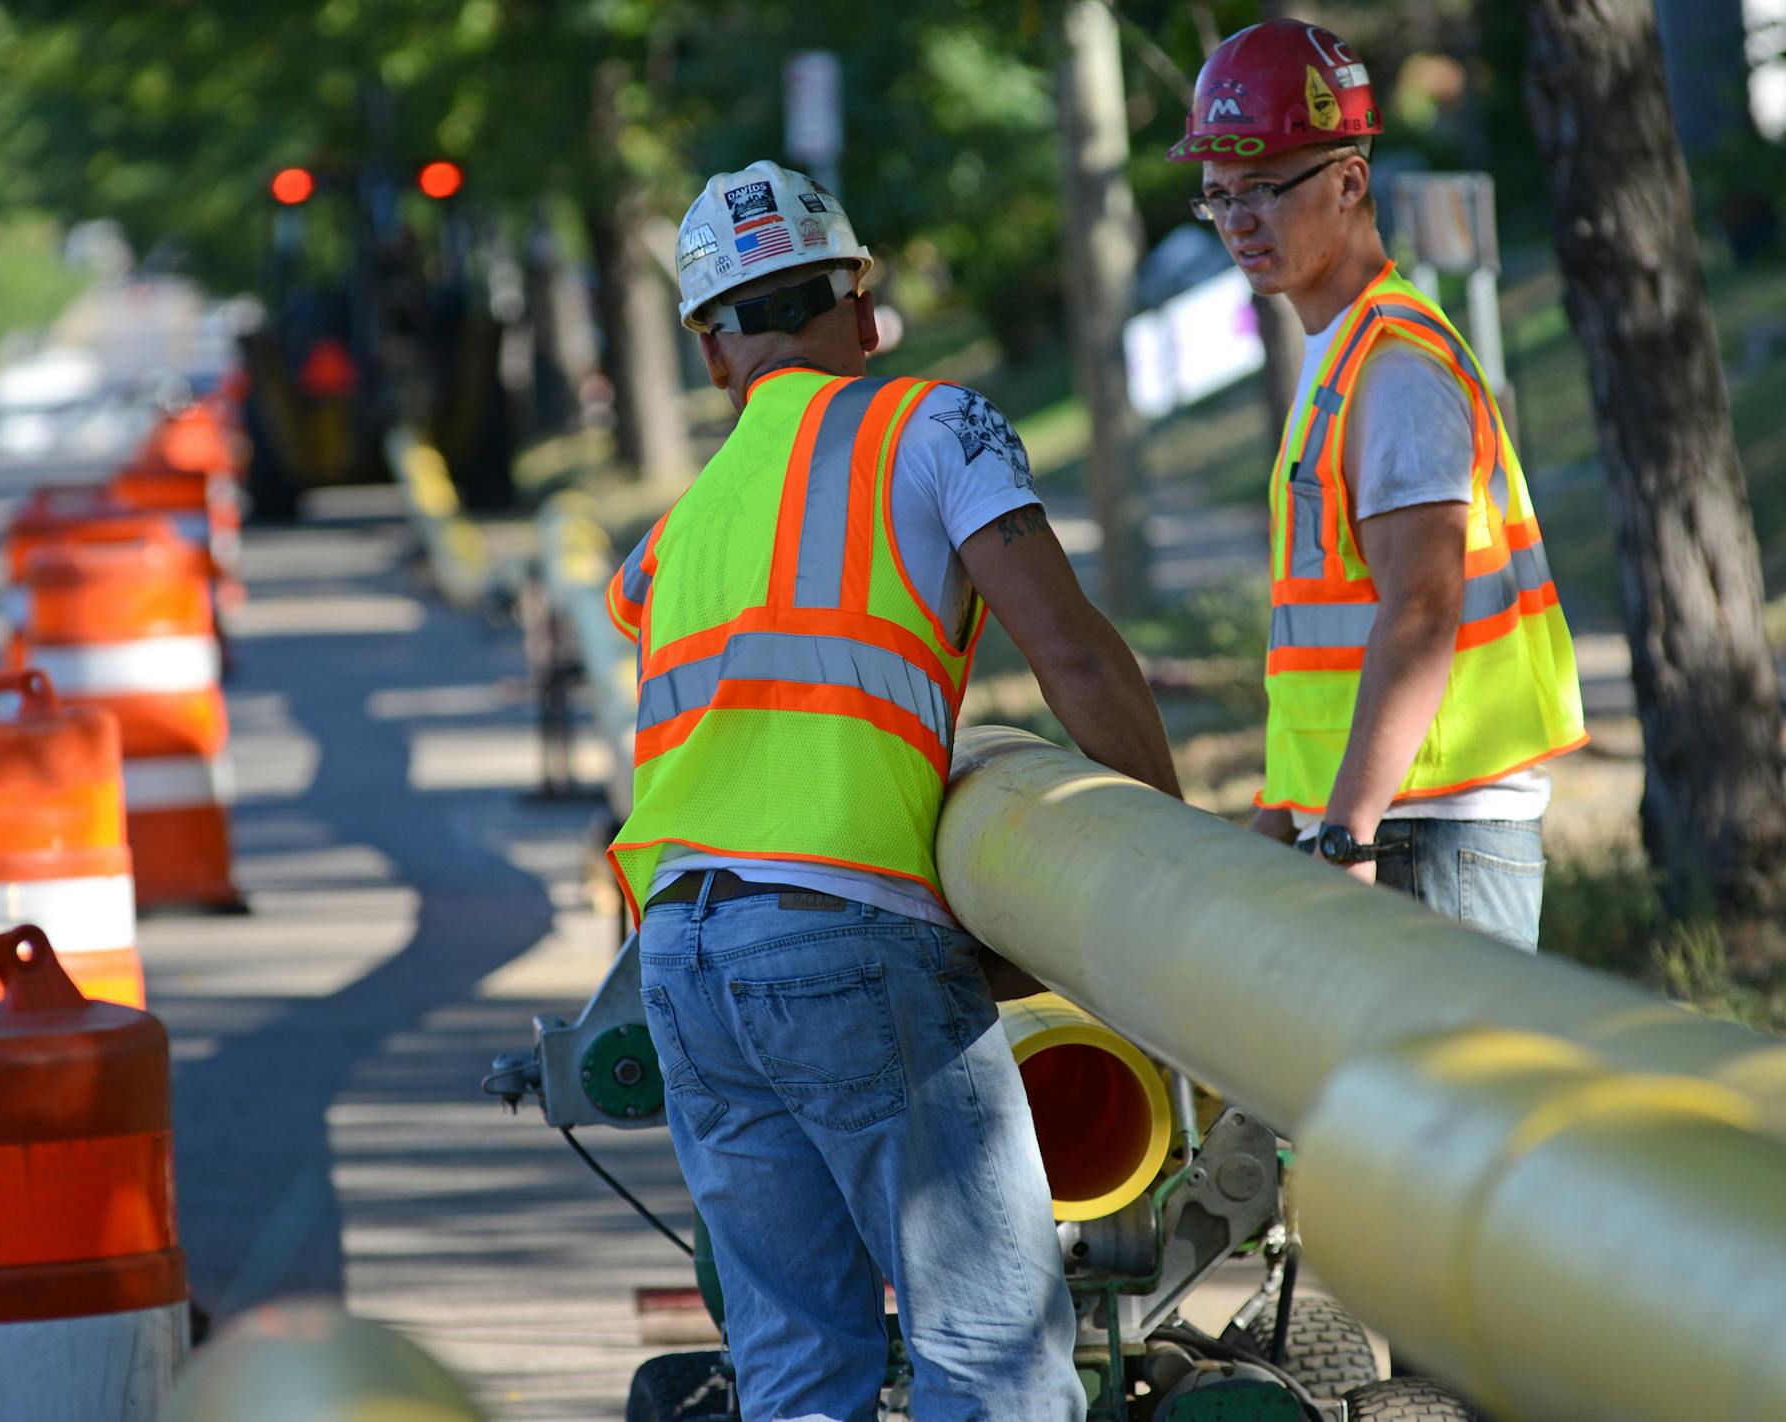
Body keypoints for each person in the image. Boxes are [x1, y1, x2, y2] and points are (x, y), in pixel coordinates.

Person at [604, 160, 1181, 1422]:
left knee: (799, 1372)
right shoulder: (933, 429)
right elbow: (1073, 653)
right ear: (862, 309)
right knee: (994, 1365)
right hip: (844, 941)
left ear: (715, 352)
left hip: (684, 959)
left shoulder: (668, 543)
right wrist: (1174, 883)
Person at [1169, 21, 1587, 950]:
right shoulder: (1342, 356)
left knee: (1457, 1095)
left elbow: (1420, 611)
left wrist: (1346, 831)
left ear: (1350, 182)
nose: (1239, 220)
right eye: (1217, 196)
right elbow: (1336, 632)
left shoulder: (1394, 368)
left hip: (1429, 833)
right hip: (1385, 820)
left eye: (1266, 188)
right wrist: (1286, 816)